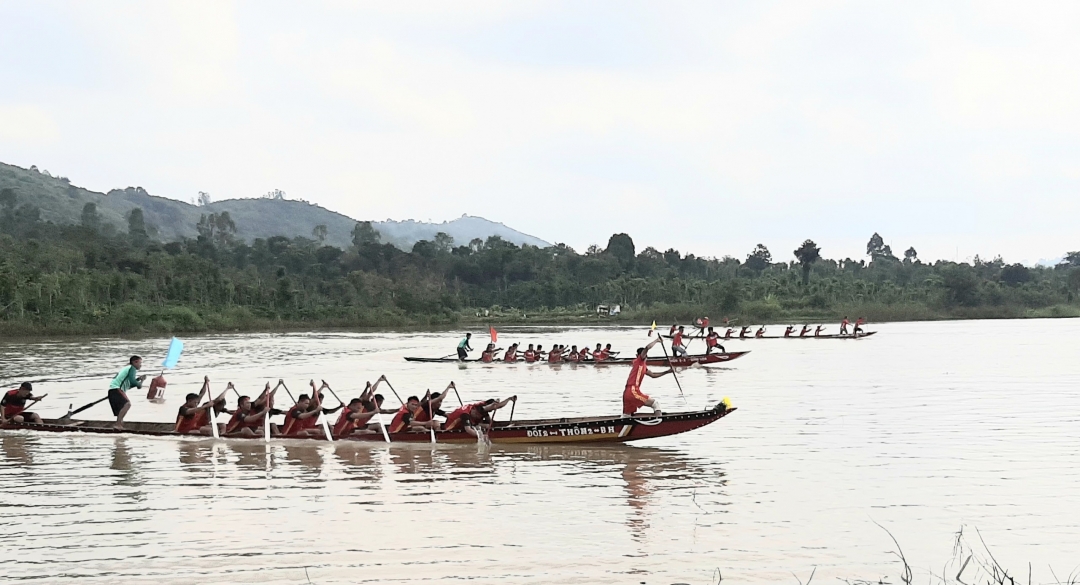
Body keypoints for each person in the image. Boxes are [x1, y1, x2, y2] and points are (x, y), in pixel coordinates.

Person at [623, 337, 672, 416]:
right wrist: (656, 340)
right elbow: (647, 348)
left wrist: (667, 372)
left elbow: (653, 375)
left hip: (627, 392)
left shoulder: (642, 366)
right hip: (633, 391)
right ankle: (659, 422)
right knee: (655, 404)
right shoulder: (639, 360)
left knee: (627, 415)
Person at [443, 397, 516, 436]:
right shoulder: (465, 414)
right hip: (449, 428)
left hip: (464, 423)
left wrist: (509, 399)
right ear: (474, 410)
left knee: (488, 424)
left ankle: (506, 427)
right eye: (477, 415)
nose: (478, 417)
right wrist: (481, 436)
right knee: (483, 426)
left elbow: (497, 406)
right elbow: (468, 430)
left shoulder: (481, 406)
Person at [109, 356, 145, 430]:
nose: (141, 365)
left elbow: (130, 385)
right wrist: (139, 383)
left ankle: (119, 423)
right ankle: (118, 425)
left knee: (123, 408)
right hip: (116, 389)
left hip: (113, 390)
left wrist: (140, 380)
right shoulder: (132, 368)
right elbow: (133, 382)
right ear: (135, 362)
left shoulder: (127, 368)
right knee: (127, 404)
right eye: (140, 363)